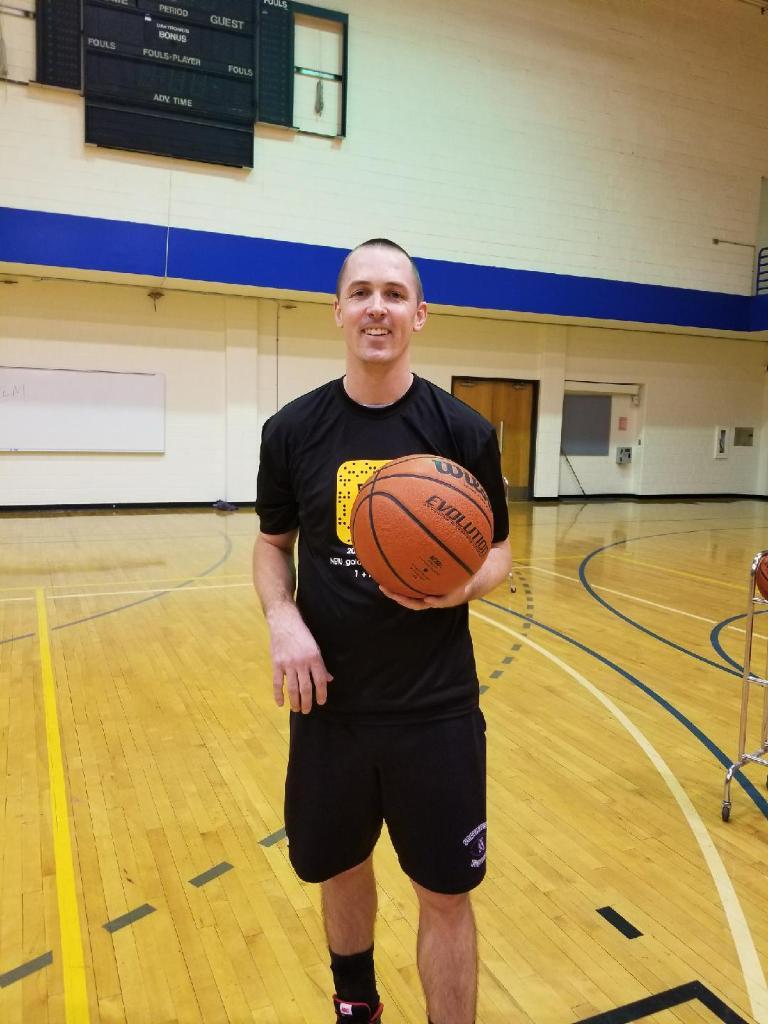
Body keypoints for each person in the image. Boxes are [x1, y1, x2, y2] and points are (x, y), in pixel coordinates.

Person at [253, 238, 512, 1024]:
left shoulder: (462, 430)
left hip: (435, 709)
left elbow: (499, 549)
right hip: (329, 706)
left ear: (419, 315)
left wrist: (461, 581)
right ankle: (357, 1004)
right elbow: (271, 546)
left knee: (445, 893)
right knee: (339, 865)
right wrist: (282, 617)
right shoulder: (291, 430)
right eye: (361, 292)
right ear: (337, 311)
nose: (377, 307)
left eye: (394, 294)